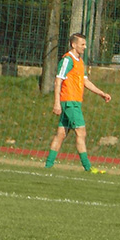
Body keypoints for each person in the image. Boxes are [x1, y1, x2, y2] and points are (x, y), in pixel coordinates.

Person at [44, 33, 111, 173]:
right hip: (69, 102)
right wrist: (57, 103)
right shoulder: (67, 60)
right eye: (82, 44)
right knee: (81, 132)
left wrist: (101, 93)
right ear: (74, 45)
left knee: (61, 134)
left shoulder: (80, 62)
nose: (85, 47)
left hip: (75, 102)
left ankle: (48, 166)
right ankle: (88, 167)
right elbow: (58, 81)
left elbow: (85, 81)